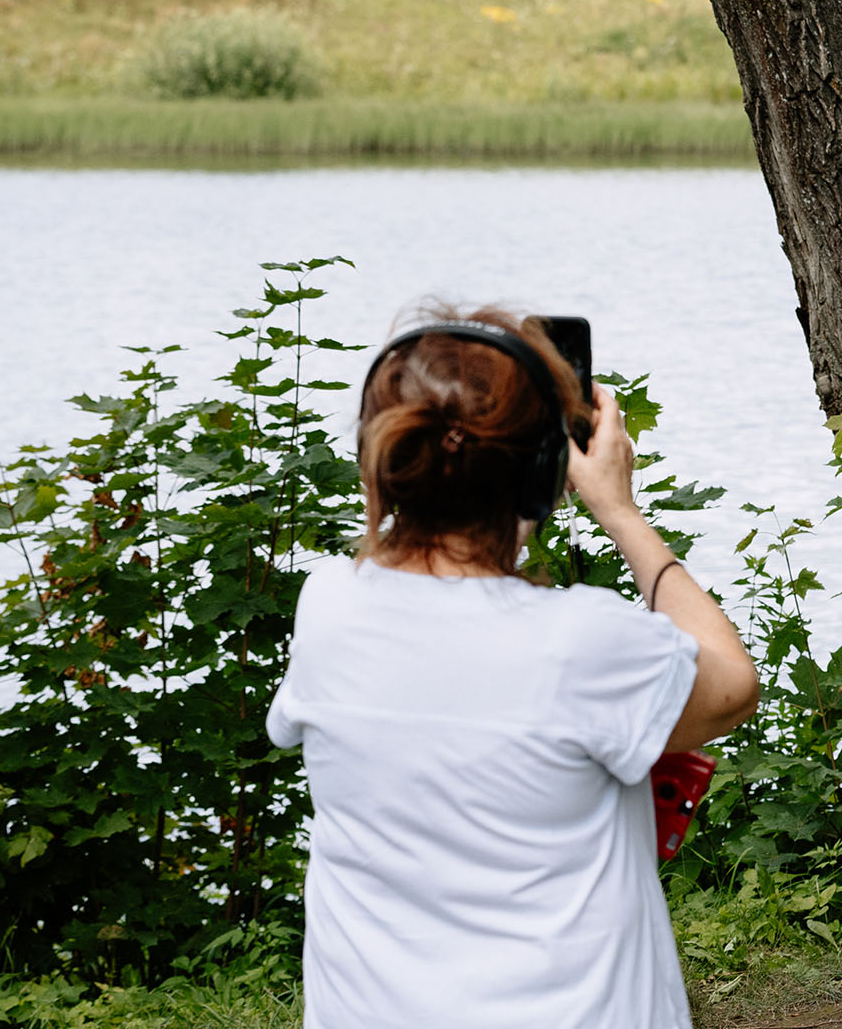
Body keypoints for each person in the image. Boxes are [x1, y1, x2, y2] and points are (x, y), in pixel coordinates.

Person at [267, 305, 758, 1028]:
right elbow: (732, 685)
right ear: (544, 470)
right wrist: (620, 511)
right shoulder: (582, 642)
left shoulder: (328, 607)